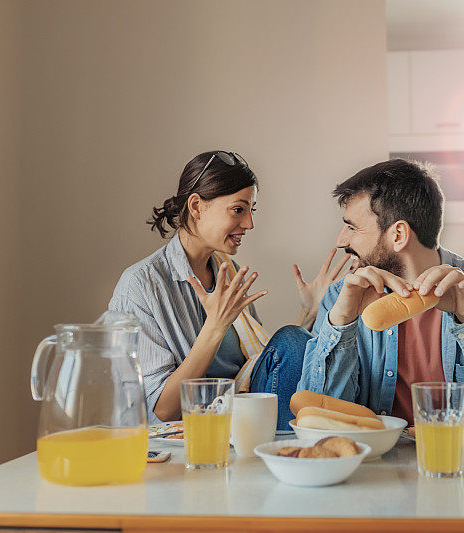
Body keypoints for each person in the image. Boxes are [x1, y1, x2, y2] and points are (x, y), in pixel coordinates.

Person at [108, 150, 352, 428]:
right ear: (197, 206)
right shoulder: (141, 285)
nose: (249, 223)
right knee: (295, 341)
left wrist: (309, 313)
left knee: (296, 339)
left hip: (240, 413)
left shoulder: (227, 270)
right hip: (190, 430)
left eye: (251, 210)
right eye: (239, 209)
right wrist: (215, 326)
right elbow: (163, 409)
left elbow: (258, 363)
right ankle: (290, 455)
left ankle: (291, 454)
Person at [299, 159, 464, 424]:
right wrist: (341, 324)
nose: (341, 241)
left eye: (352, 227)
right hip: (375, 459)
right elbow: (318, 417)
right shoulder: (342, 298)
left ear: (398, 235)